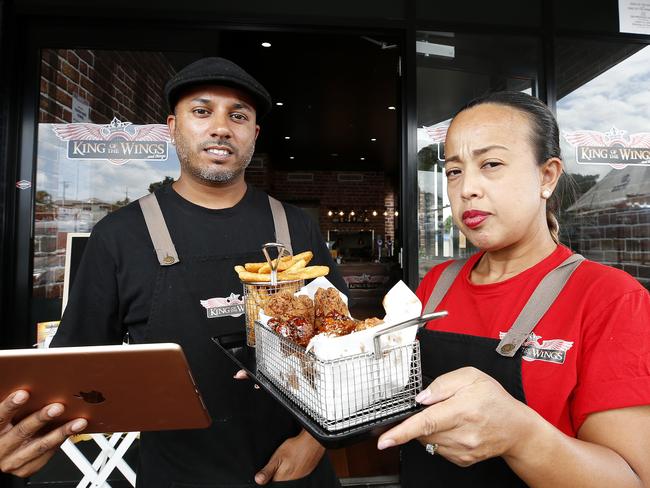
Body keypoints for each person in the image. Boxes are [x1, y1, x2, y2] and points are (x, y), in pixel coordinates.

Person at [0, 57, 346, 487]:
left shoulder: (295, 227)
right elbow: (78, 371)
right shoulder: (119, 236)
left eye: (238, 116)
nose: (221, 127)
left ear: (254, 134)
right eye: (202, 112)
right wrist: (30, 433)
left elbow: (345, 348)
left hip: (296, 471)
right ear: (172, 126)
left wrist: (314, 442)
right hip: (176, 473)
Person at [376, 91, 650, 486]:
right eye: (454, 171)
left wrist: (522, 436)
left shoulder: (610, 298)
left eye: (491, 164)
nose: (467, 187)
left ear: (547, 176)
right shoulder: (437, 284)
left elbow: (632, 481)